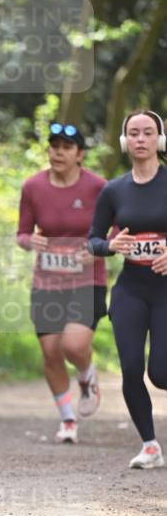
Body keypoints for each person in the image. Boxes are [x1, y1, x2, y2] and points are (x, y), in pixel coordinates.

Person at [17, 123, 107, 444]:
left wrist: (95, 248)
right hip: (47, 282)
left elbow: (116, 233)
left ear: (80, 155)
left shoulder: (99, 188)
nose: (58, 151)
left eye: (67, 147)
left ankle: (86, 374)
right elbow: (23, 234)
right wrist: (31, 243)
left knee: (74, 345)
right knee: (51, 352)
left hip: (88, 280)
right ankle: (68, 419)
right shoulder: (33, 187)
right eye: (54, 145)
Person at [89, 110, 167, 469]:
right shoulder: (113, 190)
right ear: (124, 141)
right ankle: (150, 445)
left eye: (148, 132)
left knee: (162, 373)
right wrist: (110, 247)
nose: (140, 139)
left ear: (159, 139)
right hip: (131, 290)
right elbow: (92, 240)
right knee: (132, 367)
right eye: (133, 133)